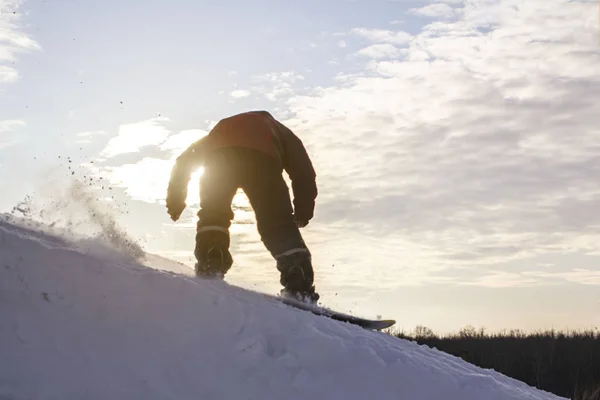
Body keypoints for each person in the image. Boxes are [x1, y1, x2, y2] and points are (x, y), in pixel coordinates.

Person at [165, 110, 319, 302]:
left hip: (219, 157)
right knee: (277, 224)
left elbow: (183, 162)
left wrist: (175, 201)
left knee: (213, 215)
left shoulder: (223, 128)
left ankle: (212, 258)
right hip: (263, 160)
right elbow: (303, 171)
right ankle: (298, 277)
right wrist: (303, 210)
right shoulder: (280, 131)